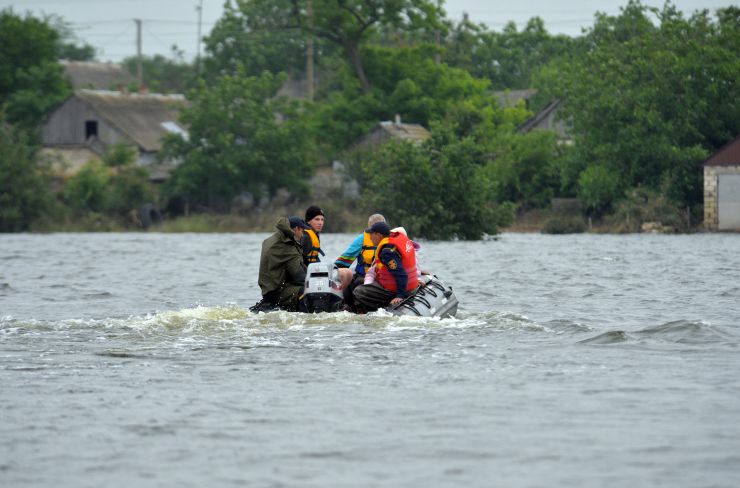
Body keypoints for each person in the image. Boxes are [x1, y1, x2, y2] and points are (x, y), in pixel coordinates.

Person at [353, 221, 419, 312]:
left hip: (399, 290)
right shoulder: (398, 241)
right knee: (360, 281)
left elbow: (401, 274)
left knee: (359, 291)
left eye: (372, 234)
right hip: (410, 285)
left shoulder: (387, 252)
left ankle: (370, 312)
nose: (370, 237)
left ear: (379, 235)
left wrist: (400, 296)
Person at [254, 216, 310, 312]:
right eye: (302, 231)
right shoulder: (289, 246)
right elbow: (299, 277)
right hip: (279, 293)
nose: (302, 235)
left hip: (268, 292)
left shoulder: (272, 240)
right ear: (296, 229)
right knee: (310, 289)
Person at [334, 213, 386, 309]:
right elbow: (345, 259)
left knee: (355, 284)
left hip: (379, 279)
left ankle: (355, 307)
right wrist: (333, 272)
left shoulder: (390, 241)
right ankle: (350, 306)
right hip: (368, 277)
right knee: (351, 284)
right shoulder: (362, 239)